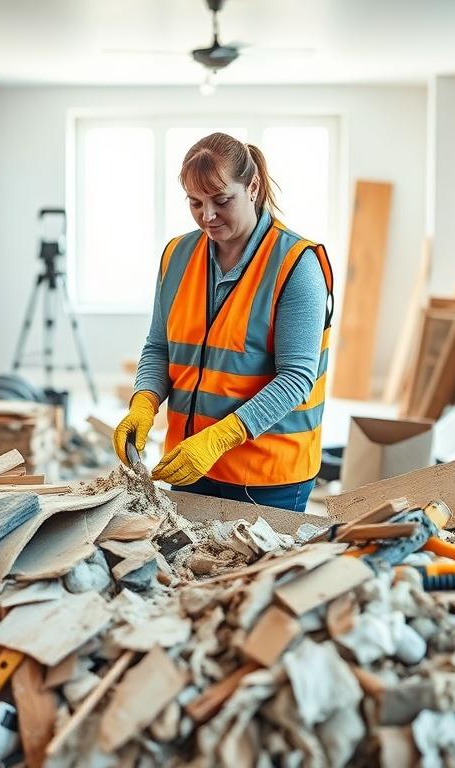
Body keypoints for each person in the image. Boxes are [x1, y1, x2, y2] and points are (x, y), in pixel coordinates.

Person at [113, 132, 333, 513]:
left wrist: (220, 438)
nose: (207, 216)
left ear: (253, 187)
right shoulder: (176, 256)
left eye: (221, 200)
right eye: (195, 203)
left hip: (266, 475)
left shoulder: (297, 263)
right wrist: (144, 402)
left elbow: (297, 378)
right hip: (190, 465)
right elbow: (159, 346)